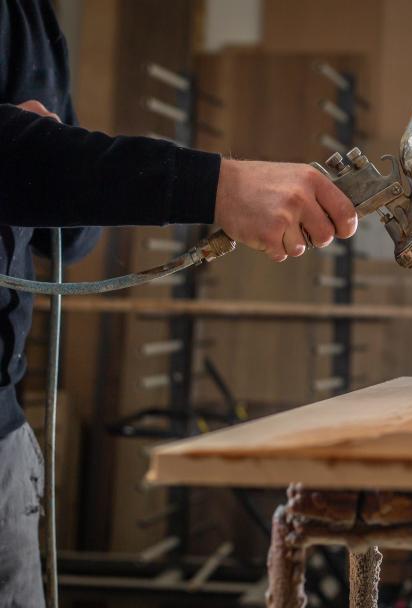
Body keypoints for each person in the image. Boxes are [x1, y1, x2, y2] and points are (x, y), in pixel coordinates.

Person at [0, 2, 357, 605]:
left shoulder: (36, 20)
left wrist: (53, 158)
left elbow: (72, 240)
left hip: (4, 430)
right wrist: (222, 187)